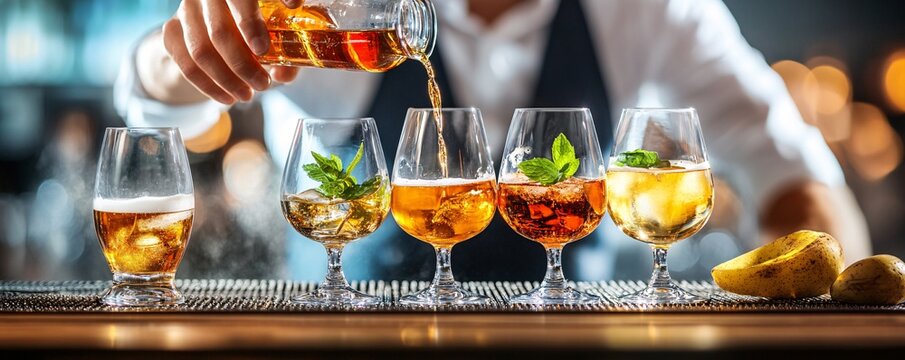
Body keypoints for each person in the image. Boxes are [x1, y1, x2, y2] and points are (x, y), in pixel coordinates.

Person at [115, 0, 871, 281]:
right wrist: (184, 46)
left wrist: (829, 309)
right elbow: (153, 103)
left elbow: (794, 176)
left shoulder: (652, 11)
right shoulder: (341, 11)